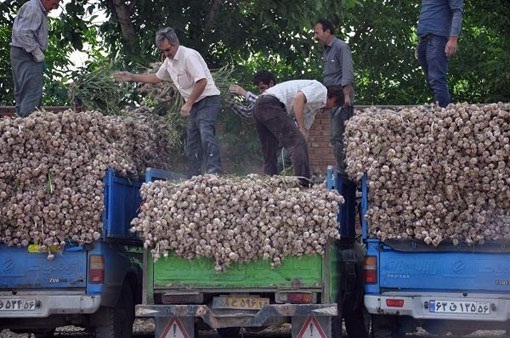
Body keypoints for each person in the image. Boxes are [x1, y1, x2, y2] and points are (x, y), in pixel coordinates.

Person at [113, 27, 222, 178]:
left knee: (206, 133)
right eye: (163, 51)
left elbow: (202, 81)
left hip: (208, 100)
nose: (166, 54)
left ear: (176, 43)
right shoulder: (168, 62)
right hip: (195, 104)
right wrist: (132, 77)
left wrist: (188, 103)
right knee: (192, 142)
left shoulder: (189, 56)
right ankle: (193, 176)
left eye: (168, 50)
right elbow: (157, 78)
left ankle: (214, 172)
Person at [252, 79, 343, 187]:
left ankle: (269, 183)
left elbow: (306, 129)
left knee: (269, 149)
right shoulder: (321, 89)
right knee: (297, 143)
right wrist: (301, 129)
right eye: (334, 104)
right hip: (271, 104)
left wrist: (304, 136)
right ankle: (303, 183)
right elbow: (298, 98)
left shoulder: (314, 105)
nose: (331, 108)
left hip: (260, 105)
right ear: (334, 97)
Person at [314, 18, 355, 174]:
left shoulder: (341, 47)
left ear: (327, 31)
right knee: (336, 137)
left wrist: (346, 96)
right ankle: (342, 168)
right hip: (332, 98)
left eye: (317, 32)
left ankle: (345, 171)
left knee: (338, 136)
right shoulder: (326, 50)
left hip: (341, 98)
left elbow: (347, 72)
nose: (315, 36)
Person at [10, 0, 61, 118]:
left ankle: (21, 123)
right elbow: (23, 34)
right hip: (27, 53)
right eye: (54, 3)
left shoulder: (35, 8)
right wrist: (37, 52)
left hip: (23, 52)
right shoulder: (34, 8)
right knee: (32, 92)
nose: (55, 7)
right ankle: (28, 127)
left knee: (23, 91)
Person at [416, 0, 464, 107]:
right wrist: (420, 44)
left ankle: (443, 114)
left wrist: (453, 39)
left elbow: (457, 12)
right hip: (425, 39)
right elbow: (428, 14)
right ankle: (439, 110)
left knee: (437, 79)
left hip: (438, 38)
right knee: (431, 81)